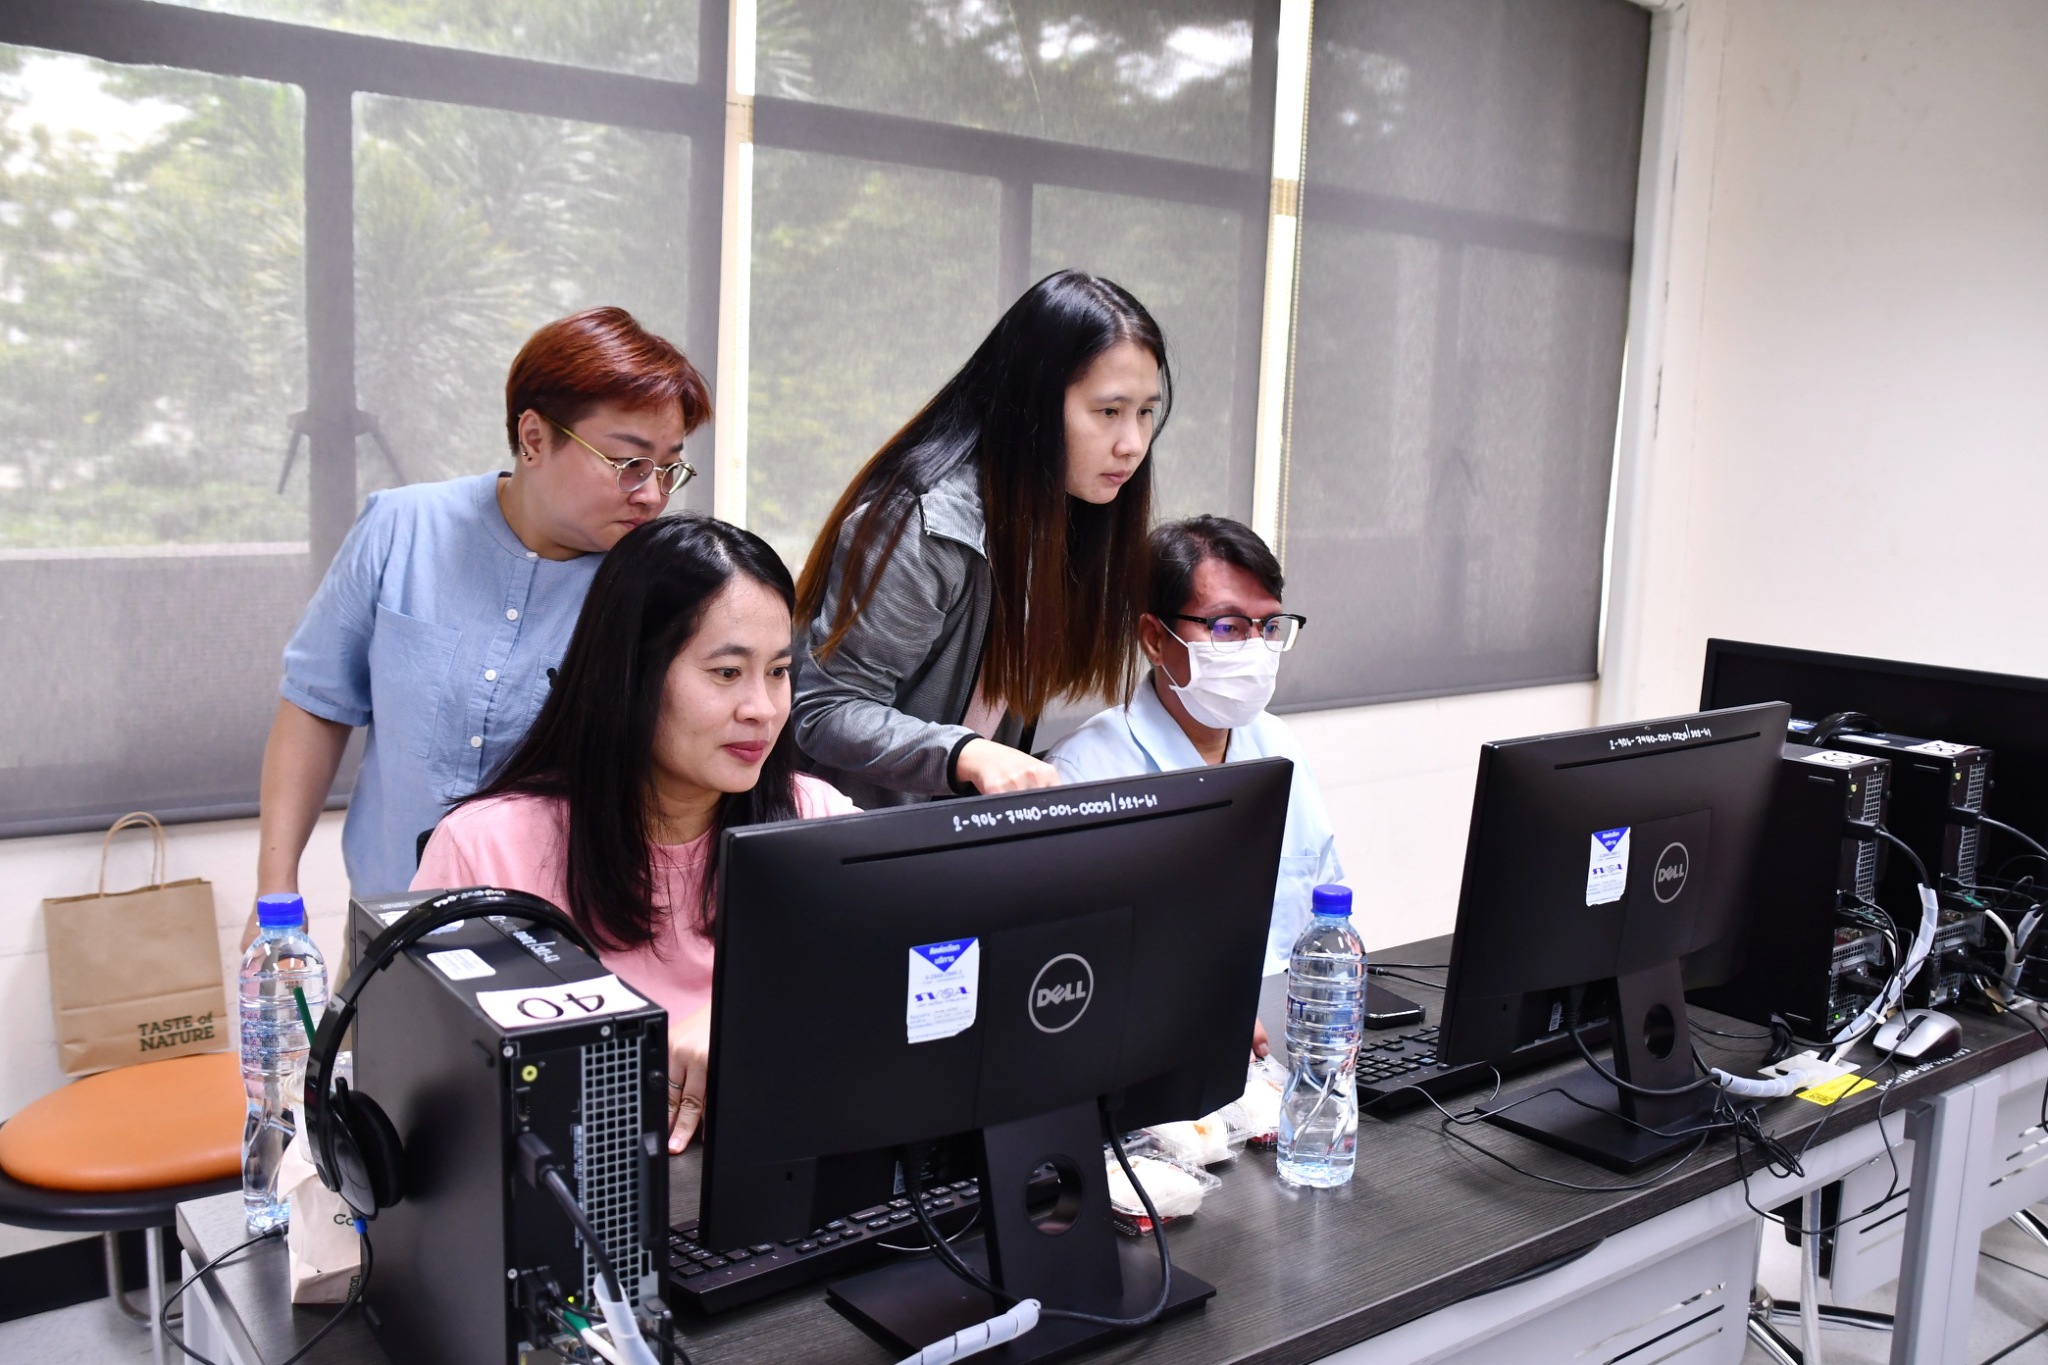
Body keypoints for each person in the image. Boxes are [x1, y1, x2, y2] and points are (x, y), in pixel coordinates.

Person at [413, 516, 857, 1151]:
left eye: (779, 671)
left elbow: (903, 986)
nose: (761, 709)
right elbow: (427, 1087)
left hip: (778, 1167)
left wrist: (745, 1016)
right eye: (727, 673)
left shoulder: (817, 819)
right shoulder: (486, 848)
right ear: (630, 673)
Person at [255, 307, 710, 921]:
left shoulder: (658, 584)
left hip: (565, 935)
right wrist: (275, 890)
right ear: (534, 438)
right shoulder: (402, 528)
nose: (651, 494)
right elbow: (317, 704)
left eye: (668, 468)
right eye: (628, 463)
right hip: (394, 921)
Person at [790, 269, 1165, 807]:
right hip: (848, 832)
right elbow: (826, 710)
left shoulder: (1064, 510)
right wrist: (965, 754)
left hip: (944, 833)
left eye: (1145, 412)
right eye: (1109, 411)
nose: (1132, 443)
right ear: (1034, 403)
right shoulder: (923, 527)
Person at [1047, 516, 1339, 978]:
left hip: (1283, 1016)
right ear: (1155, 639)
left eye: (1269, 627)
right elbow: (1071, 967)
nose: (1256, 649)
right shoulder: (1083, 773)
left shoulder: (1278, 745)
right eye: (1227, 627)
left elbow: (1328, 920)